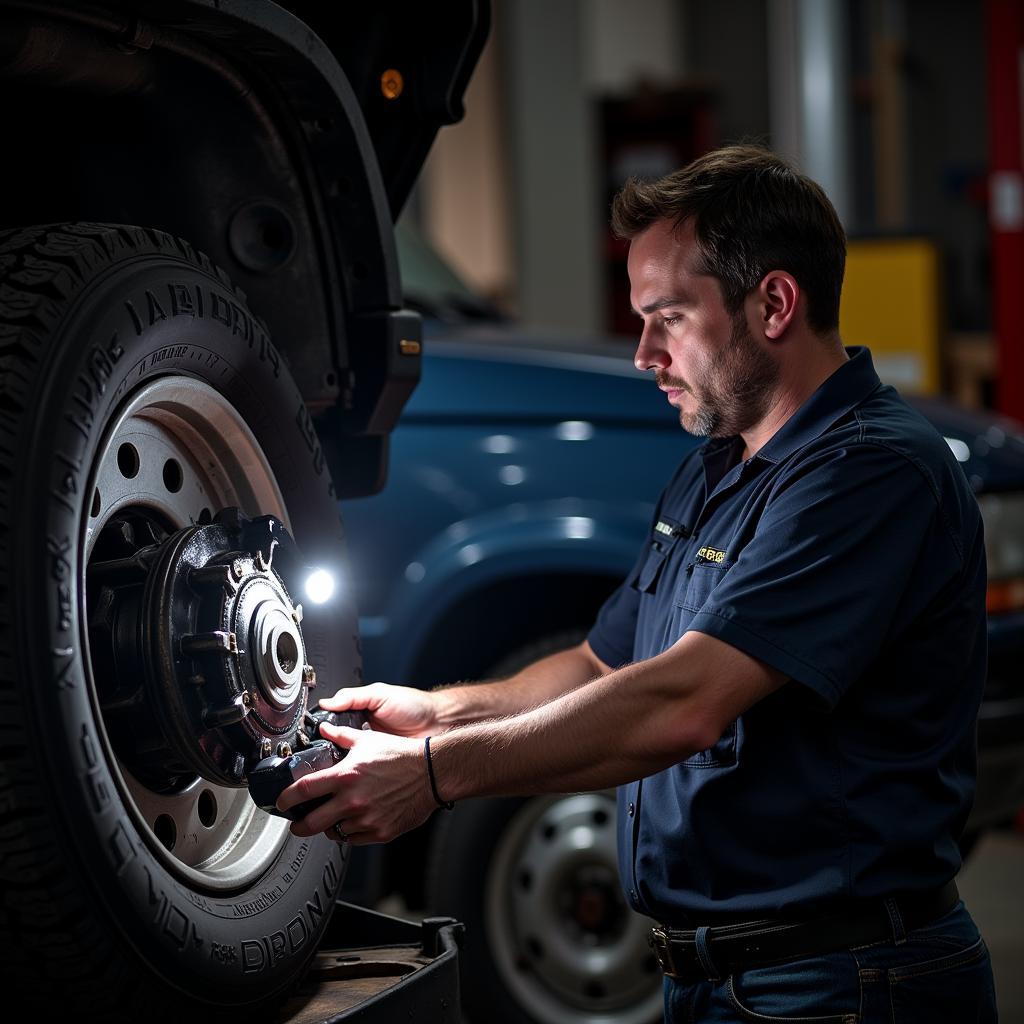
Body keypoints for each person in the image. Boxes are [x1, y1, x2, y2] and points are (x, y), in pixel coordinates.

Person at [280, 145, 998, 1022]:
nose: (643, 354)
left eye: (669, 317)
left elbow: (684, 703)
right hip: (713, 983)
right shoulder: (717, 467)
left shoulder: (871, 476)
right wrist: (436, 713)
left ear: (774, 303)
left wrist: (433, 774)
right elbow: (599, 665)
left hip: (837, 984)